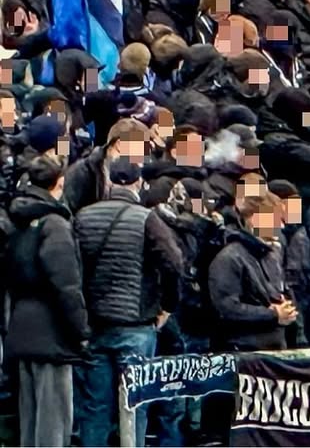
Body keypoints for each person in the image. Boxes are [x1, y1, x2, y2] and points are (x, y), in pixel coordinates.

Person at [73, 159, 183, 447]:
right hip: (136, 325)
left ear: (109, 181)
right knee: (134, 405)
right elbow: (174, 263)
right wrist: (167, 306)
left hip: (94, 324)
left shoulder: (83, 216)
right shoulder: (146, 218)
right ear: (138, 183)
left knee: (95, 407)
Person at [5, 156, 90, 447]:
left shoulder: (18, 220)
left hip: (20, 326)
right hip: (52, 332)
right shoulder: (55, 225)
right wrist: (81, 331)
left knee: (29, 419)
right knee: (54, 422)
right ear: (59, 183)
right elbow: (66, 284)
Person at [208, 191, 296, 351]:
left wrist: (286, 309)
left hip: (275, 350)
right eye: (277, 218)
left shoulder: (273, 254)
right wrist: (273, 315)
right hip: (242, 353)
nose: (282, 225)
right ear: (256, 220)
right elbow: (226, 308)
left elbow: (282, 294)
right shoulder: (229, 258)